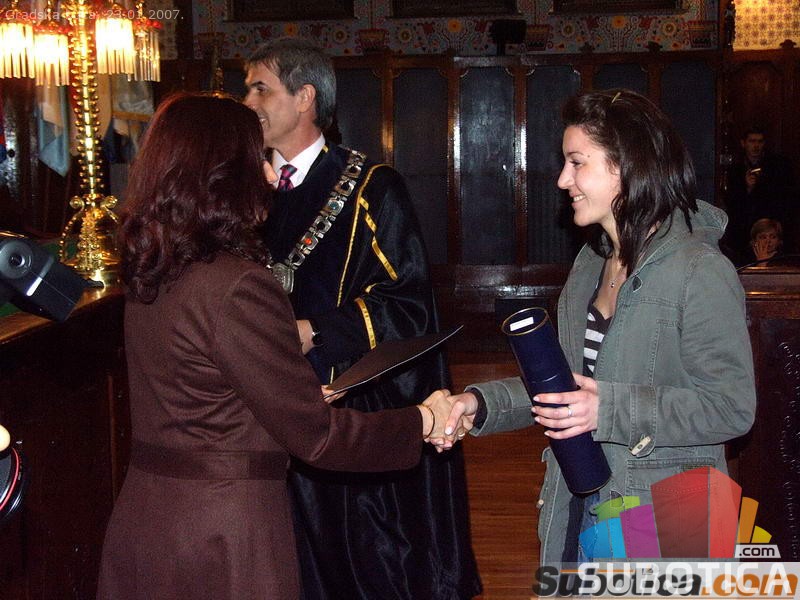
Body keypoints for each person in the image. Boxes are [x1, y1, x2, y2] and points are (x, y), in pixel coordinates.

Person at [96, 93, 459, 600]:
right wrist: (424, 420)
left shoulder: (154, 269)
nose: (271, 176)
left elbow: (200, 397)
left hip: (150, 517)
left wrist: (297, 394)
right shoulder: (238, 284)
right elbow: (319, 439)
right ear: (222, 174)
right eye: (258, 160)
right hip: (223, 533)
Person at [431, 89, 757, 565]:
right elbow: (567, 389)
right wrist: (478, 404)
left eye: (577, 163)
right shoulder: (590, 263)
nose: (563, 180)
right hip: (582, 502)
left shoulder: (701, 270)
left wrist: (608, 409)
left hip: (672, 519)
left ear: (627, 166)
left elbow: (731, 409)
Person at [243, 37, 481, 600]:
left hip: (353, 414)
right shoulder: (242, 191)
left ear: (305, 97)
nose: (247, 102)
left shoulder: (372, 187)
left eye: (260, 89)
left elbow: (409, 302)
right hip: (268, 408)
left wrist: (314, 332)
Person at [723, 126, 796, 262]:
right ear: (743, 143)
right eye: (752, 141)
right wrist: (747, 188)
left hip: (769, 222)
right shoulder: (735, 170)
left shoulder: (776, 166)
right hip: (744, 227)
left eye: (760, 141)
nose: (756, 146)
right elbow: (732, 202)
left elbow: (783, 196)